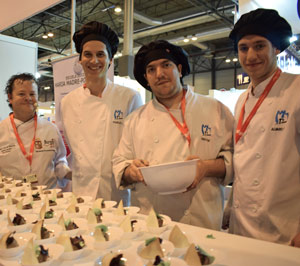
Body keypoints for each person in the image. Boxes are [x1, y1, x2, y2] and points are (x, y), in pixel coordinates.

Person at [112, 40, 234, 229]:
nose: (159, 74)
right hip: (151, 219)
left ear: (179, 68)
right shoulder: (134, 119)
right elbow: (120, 162)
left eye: (166, 65)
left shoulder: (215, 110)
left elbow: (234, 159)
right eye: (151, 69)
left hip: (201, 217)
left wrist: (205, 167)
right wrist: (132, 171)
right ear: (146, 77)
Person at [228, 8, 300, 247]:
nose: (251, 56)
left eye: (259, 46)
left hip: (285, 227)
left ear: (276, 48)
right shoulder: (241, 100)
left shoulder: (297, 89)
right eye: (244, 48)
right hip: (242, 223)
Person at [60, 21, 143, 202]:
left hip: (117, 191)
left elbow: (137, 147)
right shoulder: (67, 102)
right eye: (87, 55)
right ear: (80, 59)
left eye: (100, 55)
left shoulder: (129, 97)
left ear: (110, 59)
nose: (94, 61)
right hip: (81, 190)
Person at [0, 73, 71, 189]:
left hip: (48, 200)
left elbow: (60, 162)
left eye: (32, 94)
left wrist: (71, 174)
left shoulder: (50, 129)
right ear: (10, 98)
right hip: (13, 201)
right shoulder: (2, 130)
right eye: (21, 94)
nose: (28, 98)